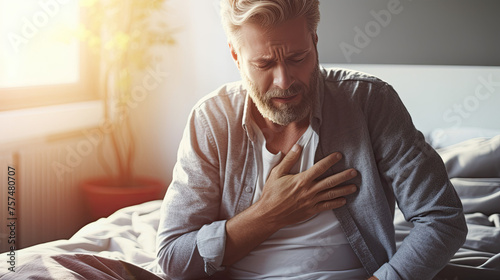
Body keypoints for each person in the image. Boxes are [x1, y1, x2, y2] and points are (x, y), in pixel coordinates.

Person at [156, 0, 467, 279]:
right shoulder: (211, 120)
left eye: (297, 57)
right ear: (236, 56)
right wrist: (269, 214)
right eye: (264, 64)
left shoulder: (371, 101)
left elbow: (442, 218)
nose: (284, 80)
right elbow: (173, 257)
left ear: (315, 43)